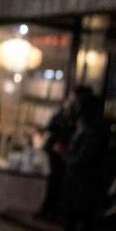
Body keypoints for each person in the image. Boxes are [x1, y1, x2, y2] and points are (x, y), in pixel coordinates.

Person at [54, 88, 108, 231]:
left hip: (85, 179)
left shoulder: (92, 130)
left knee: (82, 213)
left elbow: (84, 157)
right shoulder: (83, 127)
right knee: (74, 211)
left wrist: (65, 155)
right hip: (78, 178)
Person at [39, 91, 77, 221]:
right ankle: (48, 210)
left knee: (58, 183)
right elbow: (51, 127)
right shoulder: (61, 115)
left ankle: (54, 212)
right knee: (53, 182)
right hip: (55, 152)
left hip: (63, 154)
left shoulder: (73, 118)